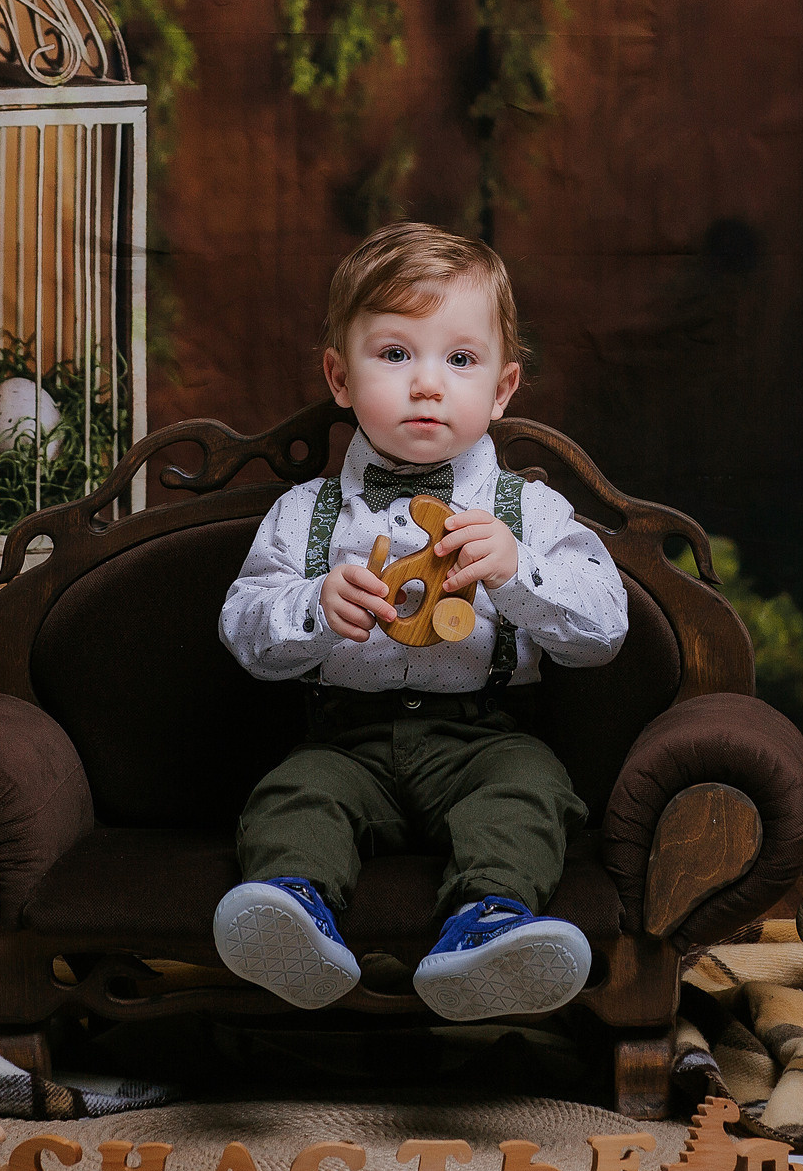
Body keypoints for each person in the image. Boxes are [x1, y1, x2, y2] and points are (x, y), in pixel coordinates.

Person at [214, 222, 629, 1021]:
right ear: (340, 375)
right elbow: (242, 625)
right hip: (347, 737)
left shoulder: (527, 513)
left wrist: (518, 573)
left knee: (527, 794)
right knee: (294, 796)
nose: (427, 384)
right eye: (395, 354)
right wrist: (313, 605)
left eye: (460, 359)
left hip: (485, 737)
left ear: (503, 389)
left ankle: (488, 927)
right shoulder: (305, 515)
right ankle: (293, 917)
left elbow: (606, 625)